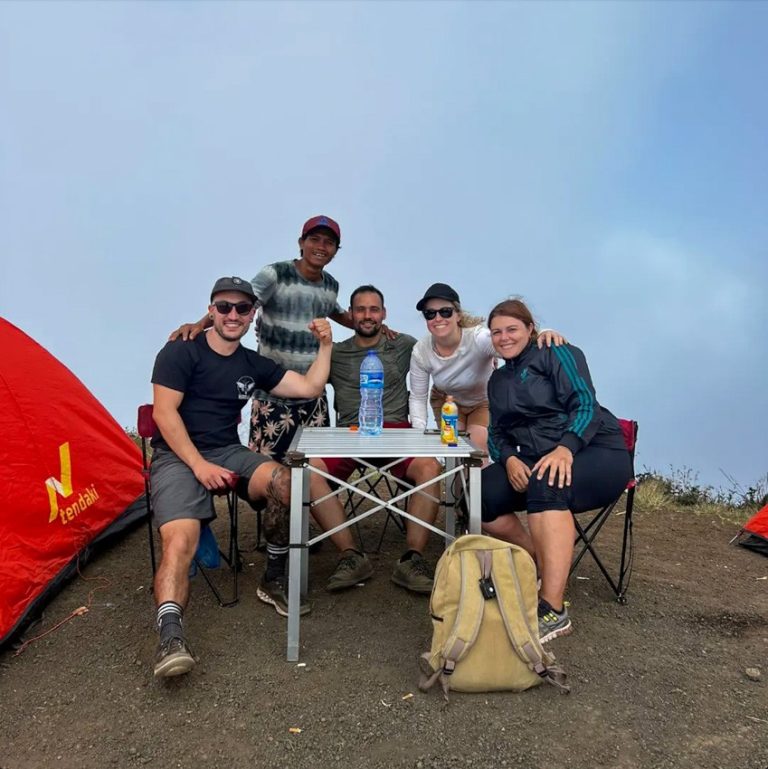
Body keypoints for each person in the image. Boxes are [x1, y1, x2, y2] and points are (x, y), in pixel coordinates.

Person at [150, 276, 332, 678]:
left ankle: (273, 574)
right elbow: (164, 414)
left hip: (228, 452)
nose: (233, 315)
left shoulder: (251, 363)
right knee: (180, 540)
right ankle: (170, 637)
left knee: (287, 481)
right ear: (211, 310)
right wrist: (198, 465)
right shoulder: (180, 351)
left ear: (253, 315)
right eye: (225, 307)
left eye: (242, 308)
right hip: (177, 456)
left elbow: (309, 386)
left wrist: (325, 345)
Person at [480, 298, 632, 644]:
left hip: (596, 450)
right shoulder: (498, 379)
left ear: (531, 329)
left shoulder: (557, 352)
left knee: (546, 485)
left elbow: (585, 404)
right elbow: (496, 433)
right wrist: (509, 459)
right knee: (479, 496)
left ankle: (552, 609)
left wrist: (566, 447)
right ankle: (538, 559)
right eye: (496, 332)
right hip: (535, 457)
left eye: (512, 329)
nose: (504, 338)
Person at [169, 215, 356, 462]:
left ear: (335, 251)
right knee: (269, 475)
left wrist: (376, 325)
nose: (321, 247)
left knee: (316, 472)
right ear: (301, 242)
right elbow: (239, 306)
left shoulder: (331, 285)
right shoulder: (275, 274)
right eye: (315, 239)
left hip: (313, 394)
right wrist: (200, 325)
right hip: (273, 392)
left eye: (329, 243)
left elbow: (338, 313)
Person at [308, 285, 442, 594]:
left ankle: (413, 559)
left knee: (430, 467)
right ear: (351, 314)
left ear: (384, 314)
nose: (368, 315)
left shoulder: (405, 344)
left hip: (396, 430)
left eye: (374, 309)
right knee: (309, 471)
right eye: (361, 309)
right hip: (349, 433)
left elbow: (449, 345)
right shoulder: (337, 352)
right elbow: (310, 381)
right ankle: (350, 556)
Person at [408, 283, 564, 460]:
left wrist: (544, 332)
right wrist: (417, 436)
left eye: (445, 312)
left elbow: (512, 345)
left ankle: (480, 487)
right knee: (452, 452)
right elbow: (417, 398)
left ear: (458, 315)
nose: (438, 318)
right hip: (448, 401)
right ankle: (454, 488)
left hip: (483, 401)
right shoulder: (421, 351)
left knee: (477, 448)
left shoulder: (478, 339)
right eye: (430, 313)